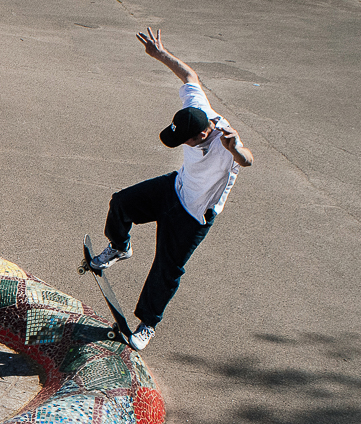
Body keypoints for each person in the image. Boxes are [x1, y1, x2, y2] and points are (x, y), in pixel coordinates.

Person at [86, 27, 254, 350]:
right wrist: (160, 54)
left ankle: (147, 325)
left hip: (193, 216)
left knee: (166, 268)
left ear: (202, 135)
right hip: (173, 188)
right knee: (122, 203)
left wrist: (237, 150)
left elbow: (248, 161)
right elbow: (189, 75)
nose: (181, 144)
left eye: (184, 141)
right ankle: (120, 246)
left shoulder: (226, 145)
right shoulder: (198, 107)